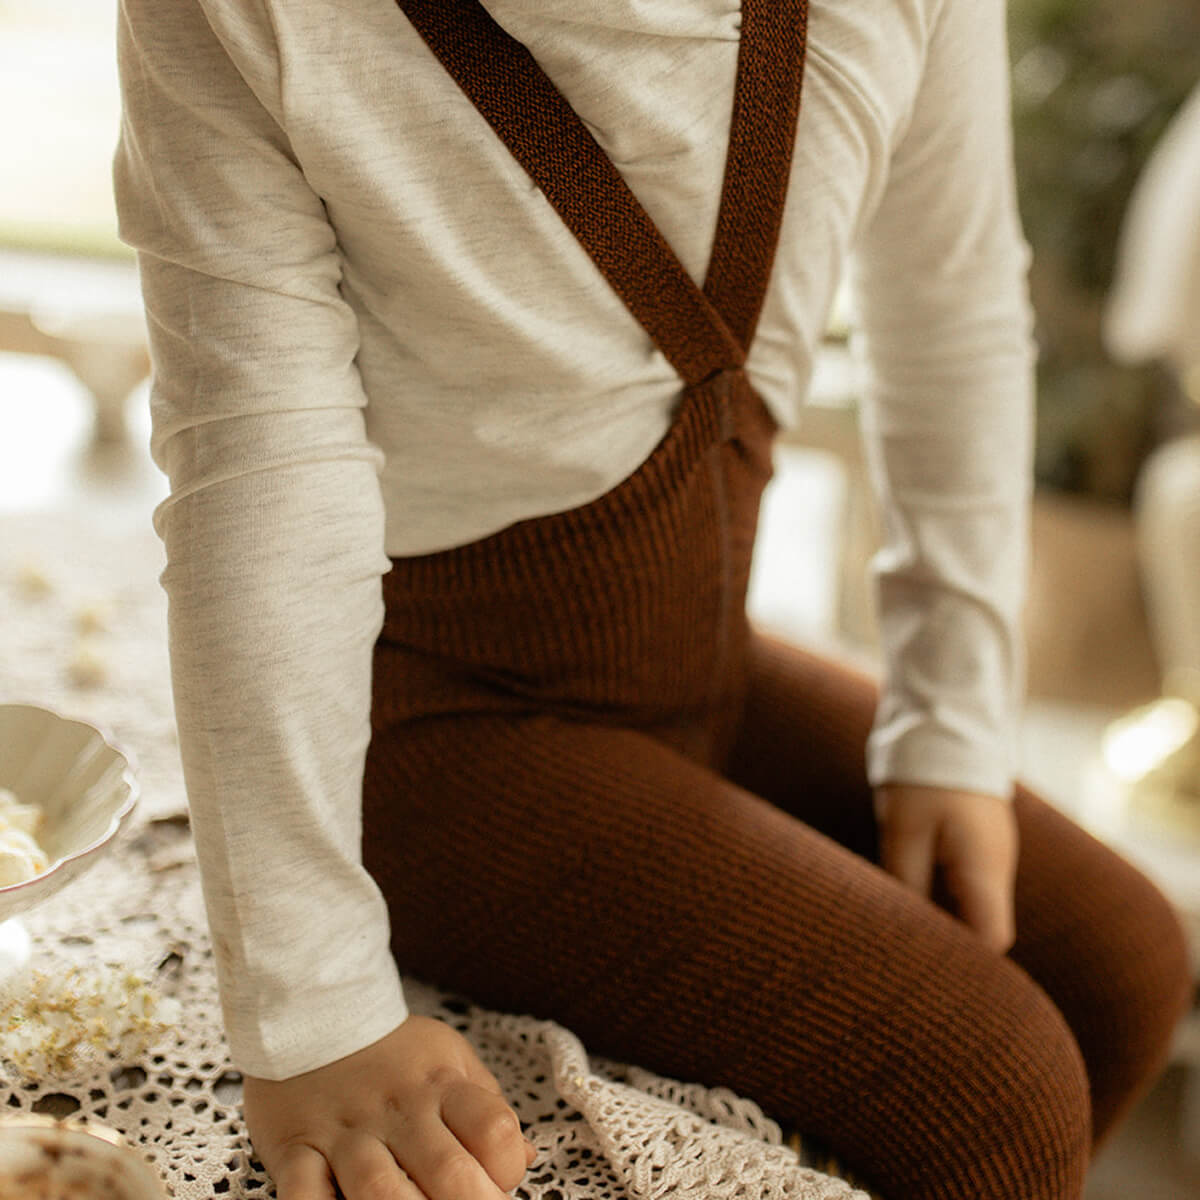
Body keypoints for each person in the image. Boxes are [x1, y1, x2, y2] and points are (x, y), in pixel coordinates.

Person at [112, 1, 1194, 1198]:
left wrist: (952, 725)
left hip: (692, 647)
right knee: (993, 1098)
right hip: (423, 720)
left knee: (1126, 967)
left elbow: (954, 307)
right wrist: (312, 1013)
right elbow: (262, 472)